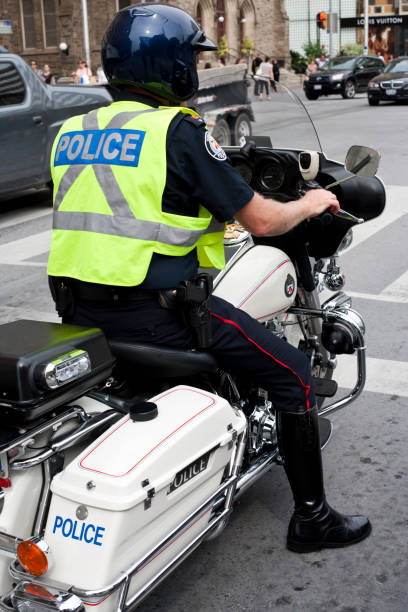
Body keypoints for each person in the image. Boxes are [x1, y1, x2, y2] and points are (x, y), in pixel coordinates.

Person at [47, 3, 371, 554]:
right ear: (172, 65)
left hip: (80, 313)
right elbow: (264, 220)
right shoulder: (177, 131)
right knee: (293, 374)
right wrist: (314, 199)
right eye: (192, 59)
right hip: (161, 319)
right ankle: (312, 520)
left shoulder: (72, 131)